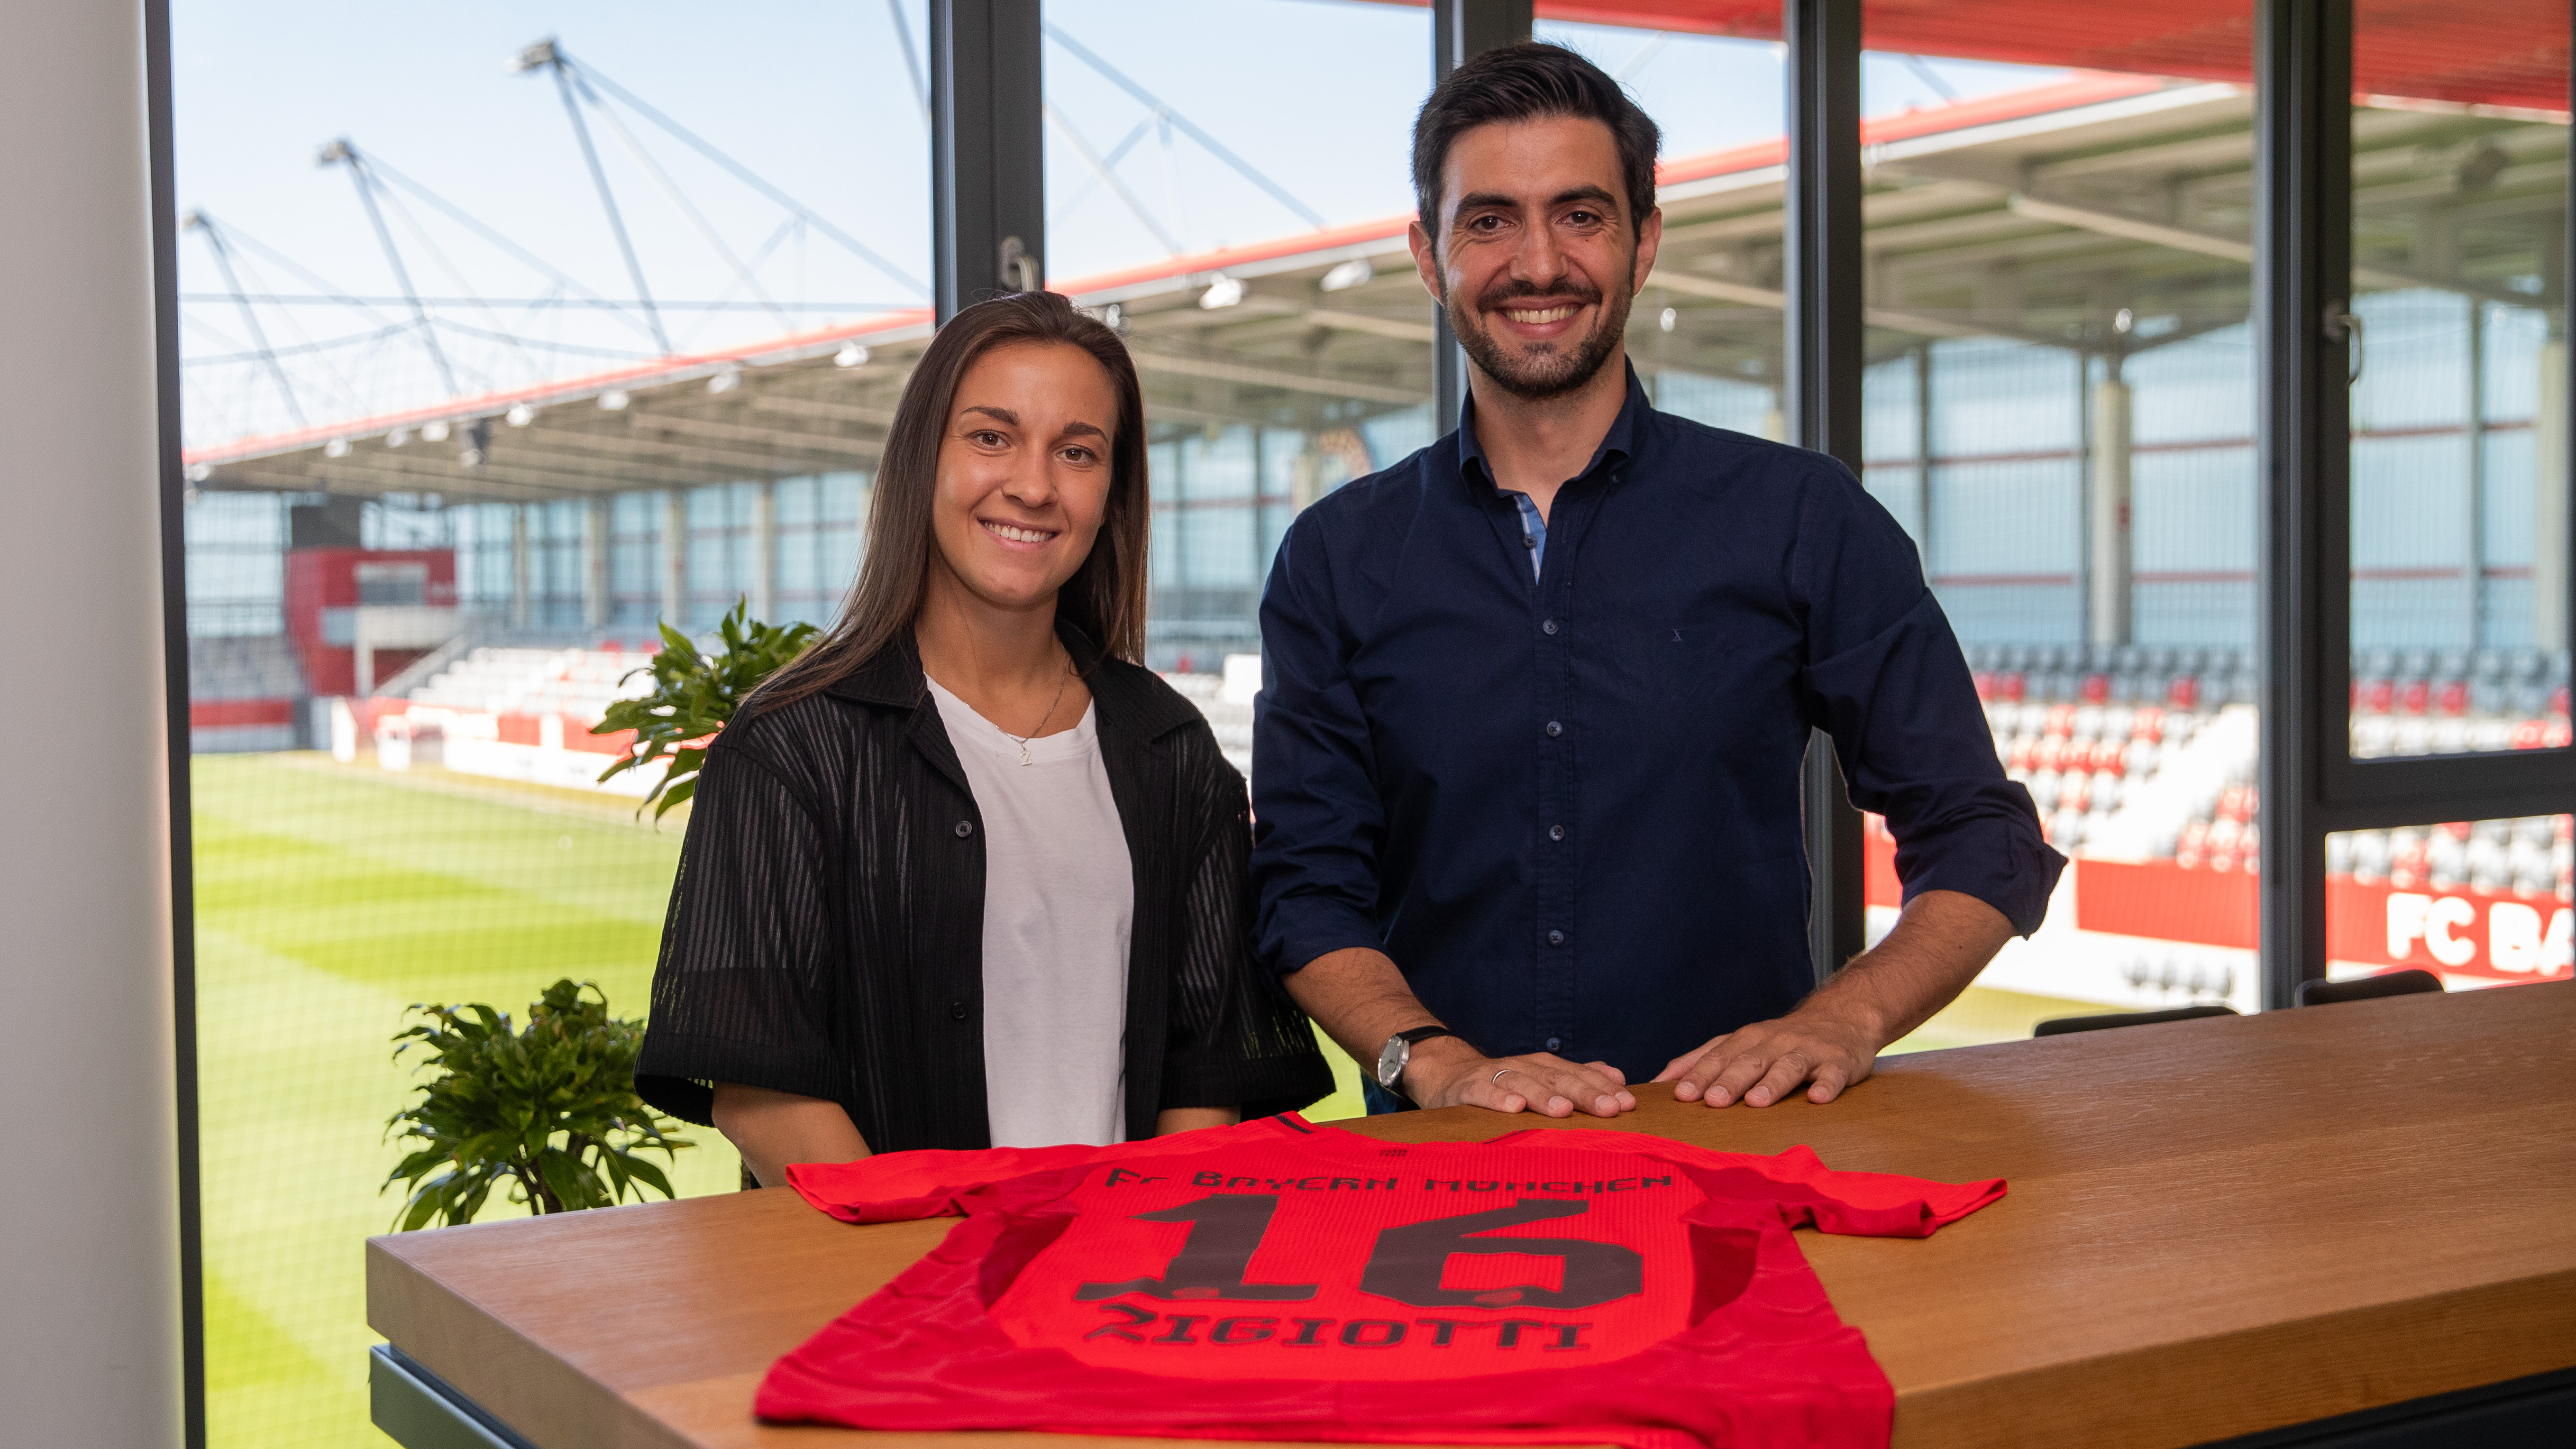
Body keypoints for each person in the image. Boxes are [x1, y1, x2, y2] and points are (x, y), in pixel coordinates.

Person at [1252, 43, 2062, 1123]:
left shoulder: (1797, 515)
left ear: (1643, 243)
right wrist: (1438, 1064)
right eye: (1487, 220)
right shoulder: (1332, 555)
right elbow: (1306, 891)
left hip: (1739, 1150)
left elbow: (1977, 830)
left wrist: (1846, 1015)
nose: (1536, 264)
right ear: (1426, 253)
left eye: (1580, 215)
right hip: (1441, 1174)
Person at [638, 290, 1331, 1187]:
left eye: (1076, 452)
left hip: (1109, 1293)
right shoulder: (791, 747)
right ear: (923, 457)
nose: (1034, 486)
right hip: (890, 1296)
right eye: (991, 437)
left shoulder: (1172, 750)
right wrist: (939, 1276)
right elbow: (761, 1094)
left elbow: (1207, 1075)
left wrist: (1142, 1256)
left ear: (1110, 491)